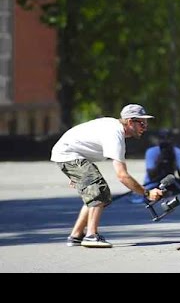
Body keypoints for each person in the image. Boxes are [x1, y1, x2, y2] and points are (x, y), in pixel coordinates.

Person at [50, 103, 164, 248]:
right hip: (68, 154)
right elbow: (122, 176)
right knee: (99, 190)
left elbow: (84, 142)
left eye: (146, 123)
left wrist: (76, 175)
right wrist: (146, 193)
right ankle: (91, 236)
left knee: (94, 193)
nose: (145, 127)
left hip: (73, 154)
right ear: (130, 122)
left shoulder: (115, 130)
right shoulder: (115, 135)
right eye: (142, 123)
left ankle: (76, 235)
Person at [129, 128, 180, 204]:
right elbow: (151, 175)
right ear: (158, 140)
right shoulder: (151, 152)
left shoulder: (177, 152)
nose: (165, 141)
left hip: (170, 181)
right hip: (154, 182)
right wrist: (160, 160)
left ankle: (170, 192)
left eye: (168, 138)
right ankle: (165, 194)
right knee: (156, 191)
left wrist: (172, 161)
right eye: (163, 138)